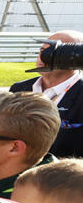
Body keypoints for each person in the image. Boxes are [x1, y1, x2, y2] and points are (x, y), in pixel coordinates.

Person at [10, 30, 83, 158]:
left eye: (53, 52)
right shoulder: (18, 89)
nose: (43, 57)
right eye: (42, 51)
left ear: (77, 57)